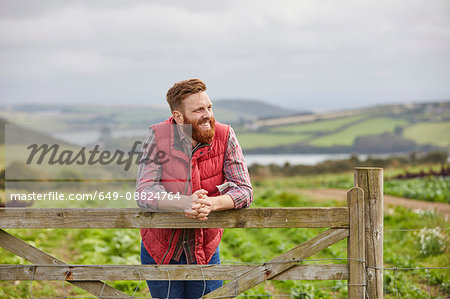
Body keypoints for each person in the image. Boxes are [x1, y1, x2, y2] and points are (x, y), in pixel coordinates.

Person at [136, 78, 253, 299]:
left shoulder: (225, 134)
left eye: (209, 107)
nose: (207, 114)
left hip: (205, 249)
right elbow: (144, 191)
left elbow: (244, 189)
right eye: (199, 110)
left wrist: (210, 203)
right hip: (160, 249)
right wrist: (184, 202)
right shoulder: (158, 135)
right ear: (179, 117)